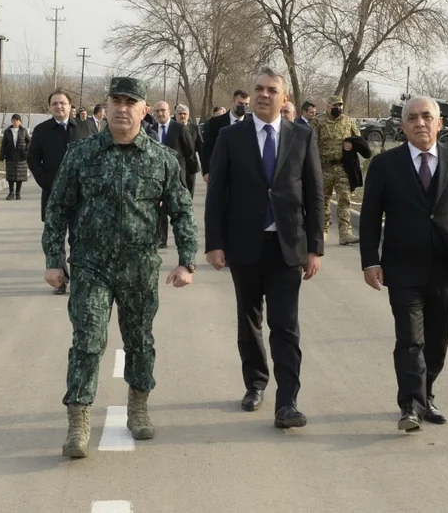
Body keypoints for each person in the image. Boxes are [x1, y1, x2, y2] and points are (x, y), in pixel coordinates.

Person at [42, 77, 198, 458]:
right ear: (107, 106)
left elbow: (181, 211)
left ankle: (138, 406)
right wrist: (53, 260)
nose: (122, 108)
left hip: (138, 266)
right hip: (91, 265)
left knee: (139, 341)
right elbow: (58, 208)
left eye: (131, 102)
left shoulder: (161, 159)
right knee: (87, 341)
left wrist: (187, 261)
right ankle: (78, 420)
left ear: (144, 110)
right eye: (116, 101)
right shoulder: (81, 154)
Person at [204, 67, 325, 428]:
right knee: (249, 320)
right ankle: (255, 383)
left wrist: (315, 248)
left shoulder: (302, 136)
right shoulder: (231, 136)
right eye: (258, 88)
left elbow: (315, 194)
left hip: (288, 247)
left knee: (285, 326)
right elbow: (217, 193)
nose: (263, 95)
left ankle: (287, 402)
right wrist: (214, 243)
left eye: (272, 90)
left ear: (284, 98)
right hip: (245, 245)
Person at [359, 96, 448, 432]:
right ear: (403, 126)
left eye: (427, 116)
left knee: (437, 341)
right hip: (403, 268)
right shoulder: (385, 165)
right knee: (409, 340)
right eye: (413, 118)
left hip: (447, 267)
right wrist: (370, 261)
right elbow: (370, 217)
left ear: (439, 123)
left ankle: (426, 395)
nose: (420, 123)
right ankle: (410, 405)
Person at [27, 89, 92, 295]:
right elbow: (32, 160)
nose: (59, 106)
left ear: (70, 106)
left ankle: (80, 279)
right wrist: (46, 183)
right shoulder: (41, 130)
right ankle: (60, 280)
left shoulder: (85, 128)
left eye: (62, 103)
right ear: (49, 107)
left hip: (81, 196)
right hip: (53, 195)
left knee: (79, 238)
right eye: (54, 103)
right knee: (55, 240)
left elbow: (96, 157)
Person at [312, 96, 361, 245]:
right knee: (323, 200)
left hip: (342, 167)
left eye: (340, 105)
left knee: (344, 199)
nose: (338, 108)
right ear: (328, 107)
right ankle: (322, 230)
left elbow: (359, 139)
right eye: (335, 105)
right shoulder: (318, 122)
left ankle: (345, 233)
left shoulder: (347, 121)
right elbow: (311, 143)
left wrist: (352, 145)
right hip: (324, 166)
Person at [152, 101, 195, 247]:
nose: (160, 113)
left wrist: (179, 164)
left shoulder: (180, 128)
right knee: (160, 210)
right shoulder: (151, 130)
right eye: (157, 111)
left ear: (169, 111)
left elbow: (189, 150)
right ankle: (162, 239)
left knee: (179, 209)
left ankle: (184, 240)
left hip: (176, 176)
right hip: (158, 176)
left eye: (163, 110)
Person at [201, 90, 251, 182]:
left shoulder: (252, 123)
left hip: (245, 174)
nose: (243, 106)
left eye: (246, 104)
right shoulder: (216, 122)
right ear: (232, 102)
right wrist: (206, 171)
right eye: (240, 103)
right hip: (221, 172)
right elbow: (207, 147)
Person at [0, 114, 31, 200]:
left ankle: (18, 193)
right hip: (10, 156)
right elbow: (4, 144)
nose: (15, 122)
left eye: (17, 120)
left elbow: (29, 141)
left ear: (20, 122)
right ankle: (11, 193)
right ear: (11, 121)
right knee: (10, 175)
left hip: (21, 156)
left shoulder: (23, 131)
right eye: (14, 120)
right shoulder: (7, 131)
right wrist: (1, 156)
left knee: (20, 175)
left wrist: (26, 150)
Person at [174, 104, 203, 196]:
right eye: (180, 114)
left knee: (189, 193)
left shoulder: (194, 128)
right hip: (176, 165)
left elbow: (201, 147)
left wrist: (205, 166)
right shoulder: (171, 128)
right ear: (176, 115)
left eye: (184, 114)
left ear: (188, 115)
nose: (182, 116)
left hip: (191, 166)